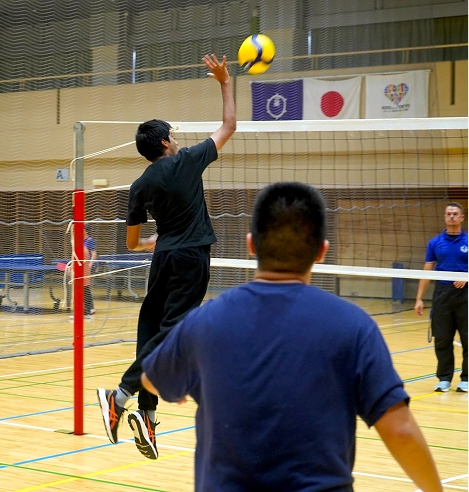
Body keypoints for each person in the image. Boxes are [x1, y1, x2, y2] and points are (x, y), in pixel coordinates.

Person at [141, 181, 442, 492]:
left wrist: (176, 387)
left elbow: (151, 379)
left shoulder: (203, 321)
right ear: (322, 251)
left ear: (251, 245)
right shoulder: (354, 325)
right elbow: (400, 431)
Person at [96, 53, 236, 460]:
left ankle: (148, 415)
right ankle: (120, 395)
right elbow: (229, 126)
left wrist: (152, 243)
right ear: (164, 143)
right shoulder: (186, 161)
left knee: (152, 327)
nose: (176, 139)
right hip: (191, 257)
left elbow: (131, 243)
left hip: (162, 259)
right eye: (172, 135)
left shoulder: (139, 185)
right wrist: (225, 83)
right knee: (172, 333)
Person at [415, 202, 468, 393]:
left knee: (468, 339)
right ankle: (444, 379)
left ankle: (466, 379)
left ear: (462, 217)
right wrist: (419, 298)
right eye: (448, 214)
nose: (452, 216)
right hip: (442, 295)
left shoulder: (468, 241)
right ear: (445, 218)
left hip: (465, 296)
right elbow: (427, 270)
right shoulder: (435, 242)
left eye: (455, 214)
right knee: (443, 339)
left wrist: (466, 277)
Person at [84, 224, 98, 316]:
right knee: (85, 288)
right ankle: (90, 307)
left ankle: (90, 308)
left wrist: (89, 265)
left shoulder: (90, 240)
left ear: (86, 230)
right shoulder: (82, 241)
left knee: (85, 287)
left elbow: (94, 254)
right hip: (84, 267)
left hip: (90, 267)